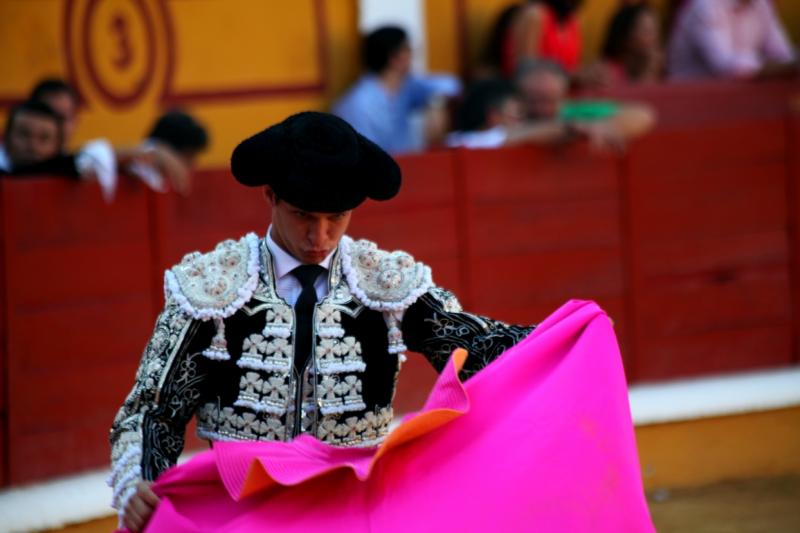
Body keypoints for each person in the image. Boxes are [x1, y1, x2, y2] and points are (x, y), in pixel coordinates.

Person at [109, 111, 534, 532]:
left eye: (337, 218)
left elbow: (481, 347)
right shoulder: (211, 287)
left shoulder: (386, 284)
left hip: (354, 509)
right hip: (242, 510)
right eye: (303, 215)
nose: (320, 237)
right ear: (270, 196)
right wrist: (139, 481)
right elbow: (153, 410)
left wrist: (576, 334)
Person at [333, 26, 461, 153]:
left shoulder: (407, 86)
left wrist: (436, 102)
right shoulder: (359, 104)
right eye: (409, 50)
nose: (412, 57)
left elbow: (451, 84)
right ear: (394, 59)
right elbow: (365, 157)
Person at [514, 59, 656, 151]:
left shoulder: (571, 111)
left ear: (562, 96)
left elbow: (644, 115)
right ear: (517, 99)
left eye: (551, 100)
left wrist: (601, 124)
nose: (542, 109)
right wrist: (575, 128)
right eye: (534, 100)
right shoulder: (506, 116)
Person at [667, 0, 798, 80]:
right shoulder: (705, 5)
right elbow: (725, 67)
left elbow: (784, 56)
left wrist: (789, 64)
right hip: (687, 106)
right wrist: (771, 67)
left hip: (734, 104)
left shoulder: (761, 4)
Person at [446, 78, 579, 148]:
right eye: (518, 113)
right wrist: (576, 126)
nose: (523, 121)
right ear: (494, 116)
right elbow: (507, 135)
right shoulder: (467, 141)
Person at [126, 110, 209, 195]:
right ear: (170, 153)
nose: (192, 164)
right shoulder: (138, 167)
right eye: (189, 155)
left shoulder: (161, 180)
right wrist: (158, 151)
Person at [601, 2, 664, 84]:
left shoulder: (661, 72)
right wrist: (648, 72)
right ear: (625, 37)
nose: (654, 38)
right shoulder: (607, 74)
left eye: (656, 31)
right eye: (646, 31)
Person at [29, 78, 80, 150]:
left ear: (74, 122)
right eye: (47, 118)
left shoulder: (83, 160)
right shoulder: (9, 160)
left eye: (61, 119)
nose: (53, 127)